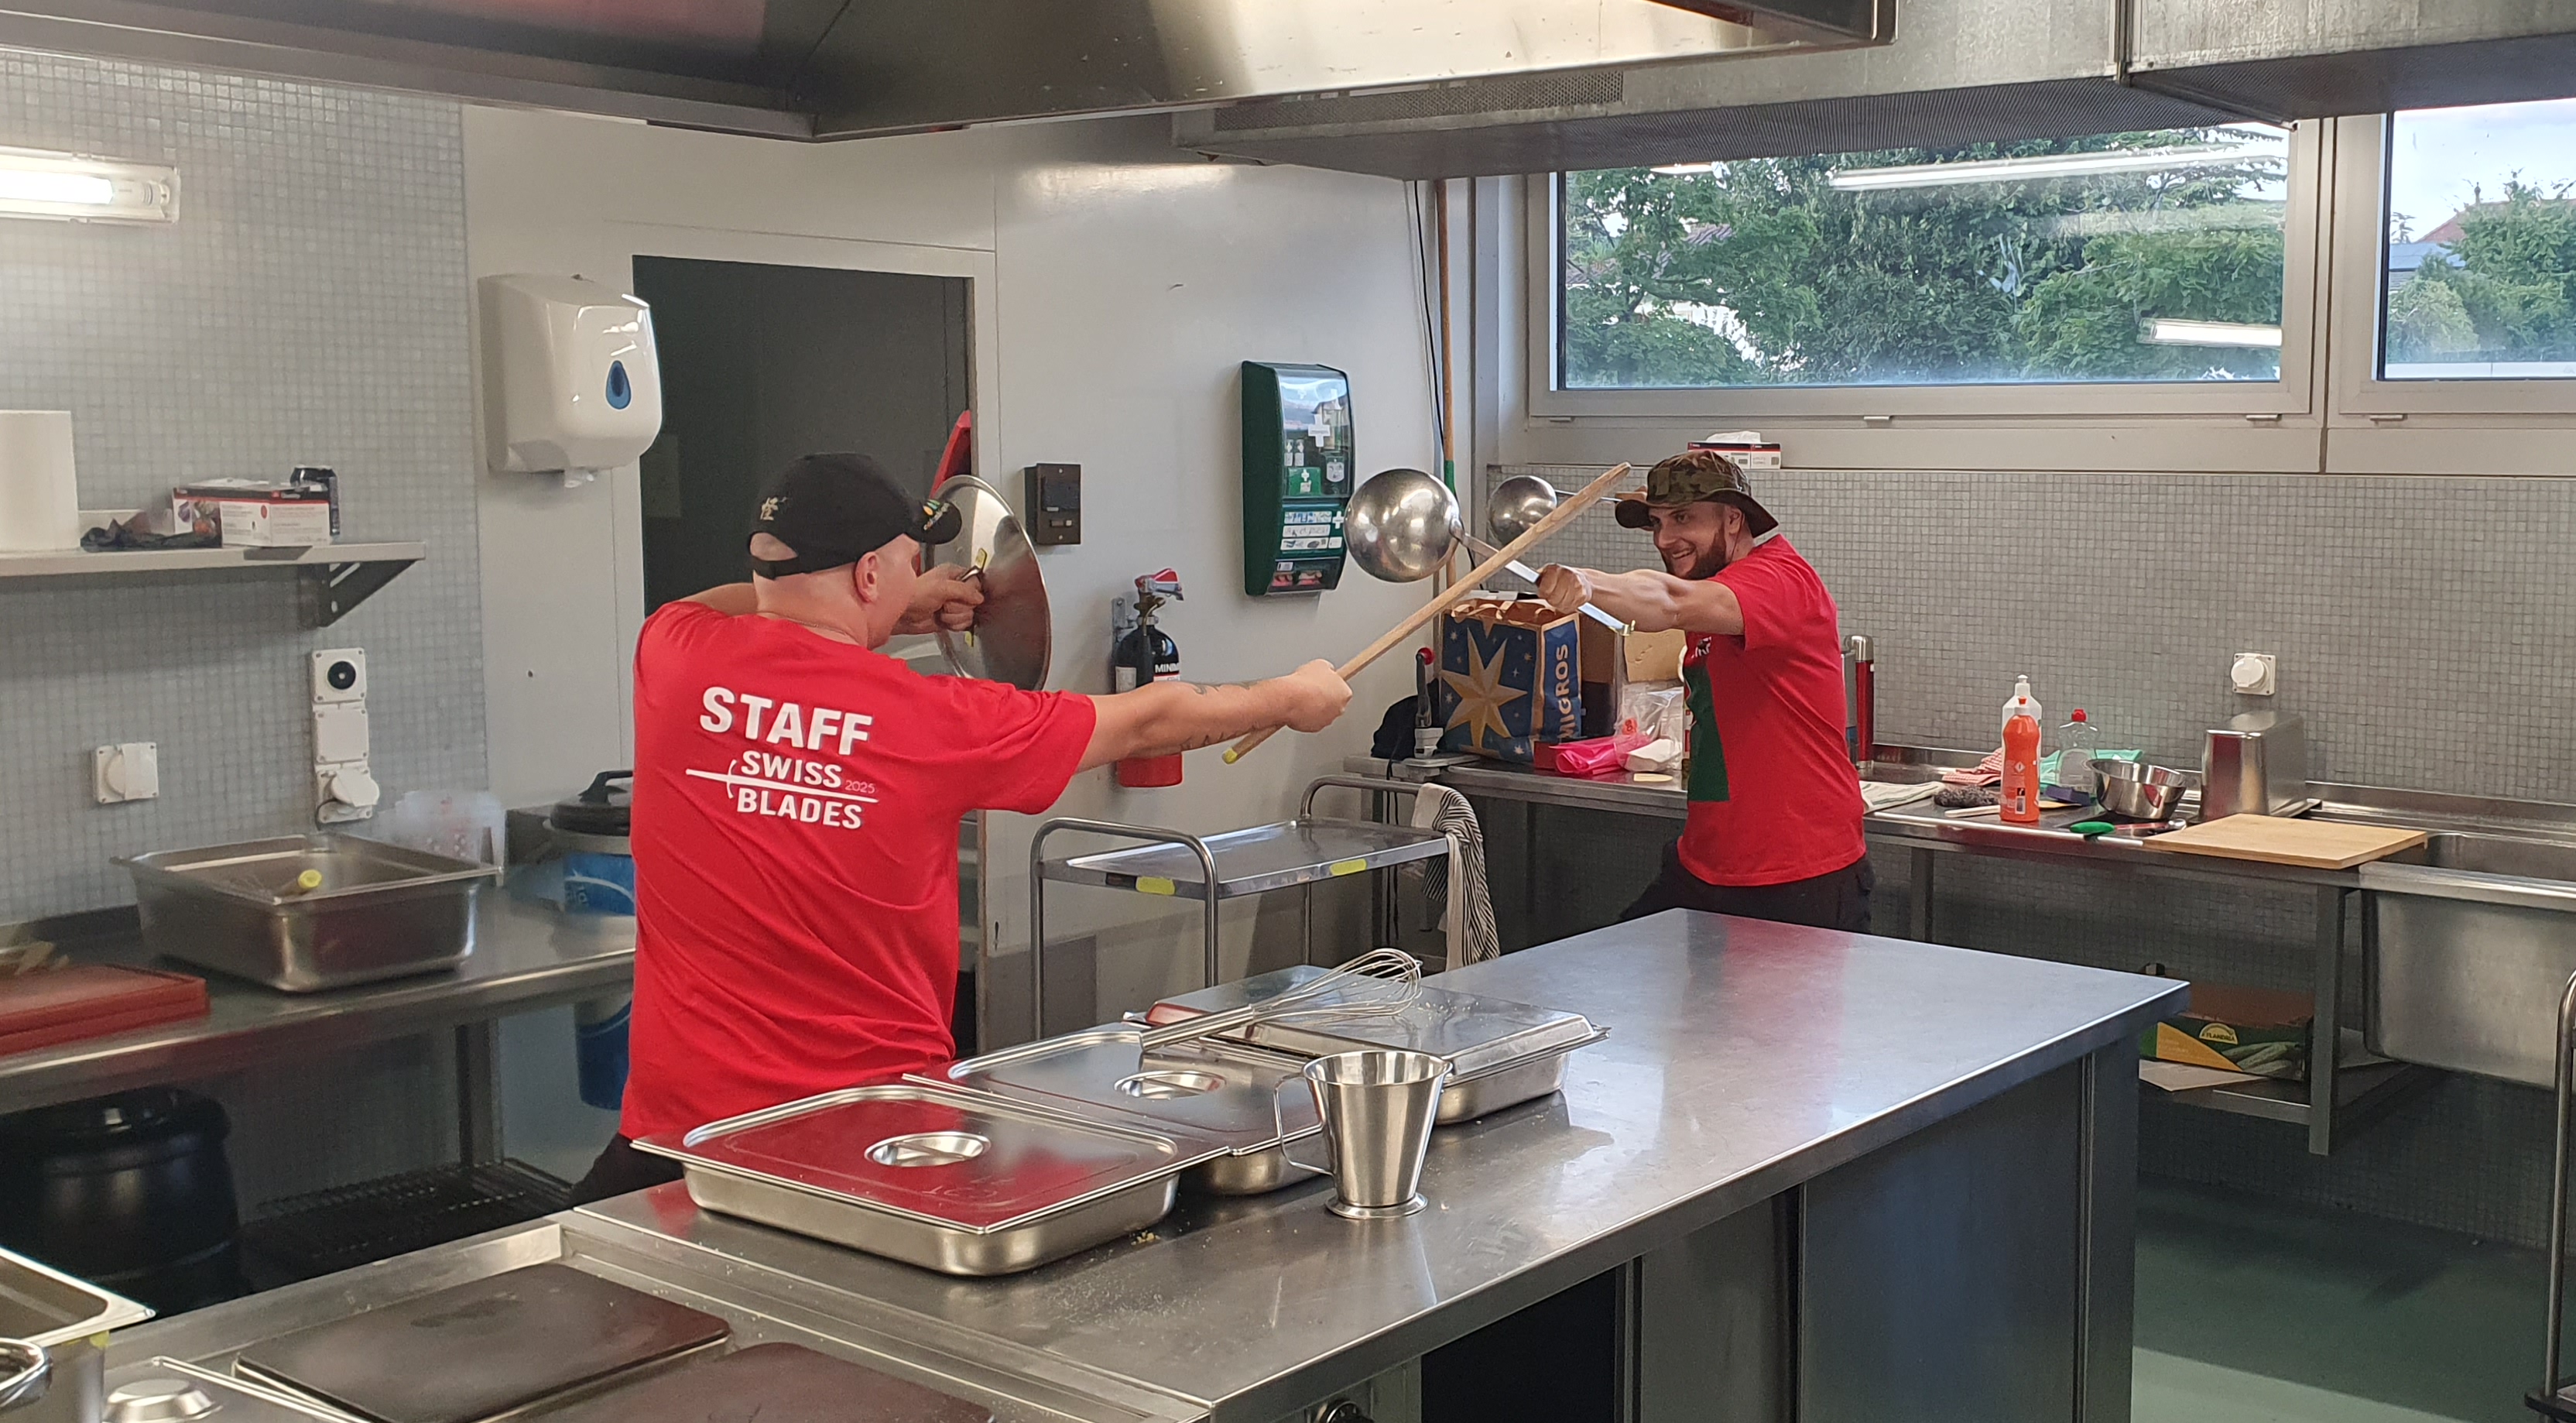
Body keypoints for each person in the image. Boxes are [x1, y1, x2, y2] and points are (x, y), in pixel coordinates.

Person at [570, 454, 1352, 1202]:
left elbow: (720, 604)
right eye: (909, 561)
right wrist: (1288, 697)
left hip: (676, 1143)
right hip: (860, 1138)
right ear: (867, 573)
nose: (917, 576)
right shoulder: (930, 719)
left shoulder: (673, 654)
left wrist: (888, 604)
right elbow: (1148, 721)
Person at [1532, 451, 1869, 933]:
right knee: (1611, 968)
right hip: (1705, 865)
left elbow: (1668, 599)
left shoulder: (1780, 581)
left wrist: (1587, 583)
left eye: (1684, 518)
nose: (1665, 539)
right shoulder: (1713, 589)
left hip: (1798, 874)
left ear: (1734, 518)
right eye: (1657, 522)